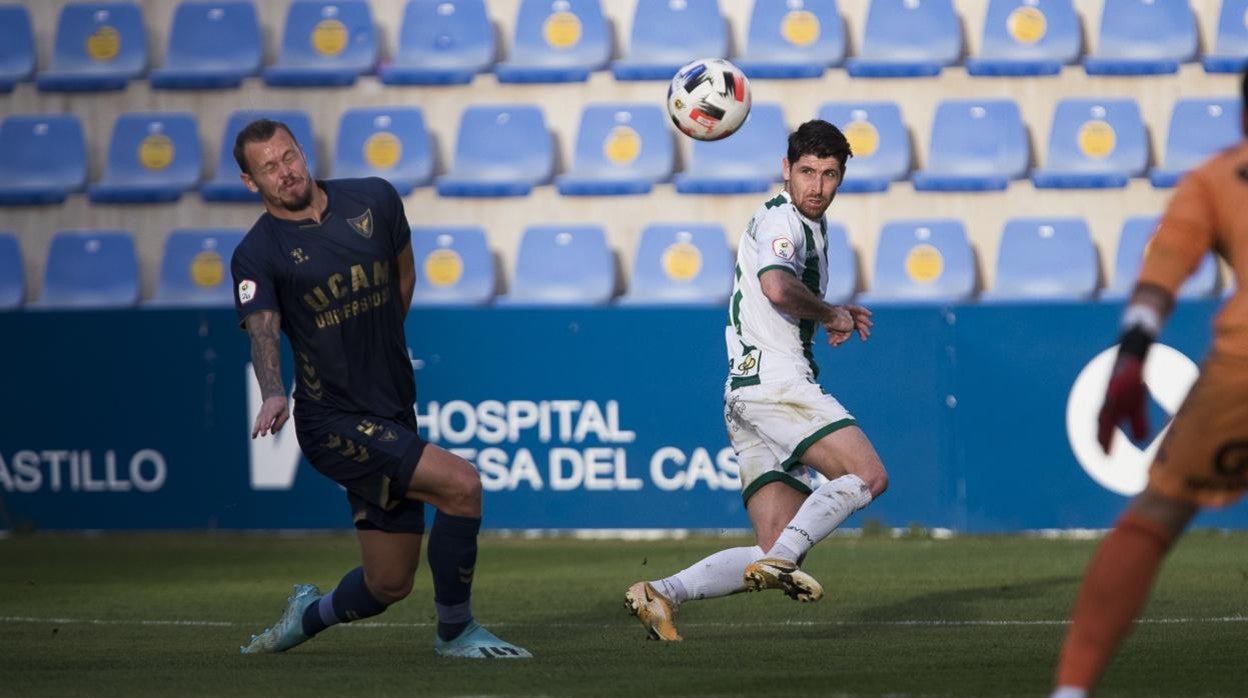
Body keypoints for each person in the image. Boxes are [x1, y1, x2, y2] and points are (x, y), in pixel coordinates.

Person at [230, 119, 529, 659]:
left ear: (303, 151)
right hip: (331, 420)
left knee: (388, 583)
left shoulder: (375, 199)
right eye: (268, 167)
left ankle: (307, 615)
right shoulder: (257, 253)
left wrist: (378, 344)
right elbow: (264, 333)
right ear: (252, 183)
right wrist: (273, 392)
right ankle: (455, 631)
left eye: (289, 156)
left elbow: (403, 278)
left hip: (392, 407)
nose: (285, 171)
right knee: (462, 486)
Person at [625, 120, 887, 640]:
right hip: (776, 383)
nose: (816, 186)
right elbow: (776, 286)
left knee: (770, 545)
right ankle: (785, 561)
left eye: (829, 174)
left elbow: (782, 293)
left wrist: (821, 318)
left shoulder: (803, 224)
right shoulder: (782, 220)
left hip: (744, 393)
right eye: (807, 171)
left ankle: (660, 593)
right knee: (866, 476)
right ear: (786, 170)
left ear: (841, 179)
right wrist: (832, 315)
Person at [1051, 71, 1248, 697]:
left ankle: (1072, 690)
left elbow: (1160, 280)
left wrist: (1131, 359)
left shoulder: (1218, 178)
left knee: (1157, 514)